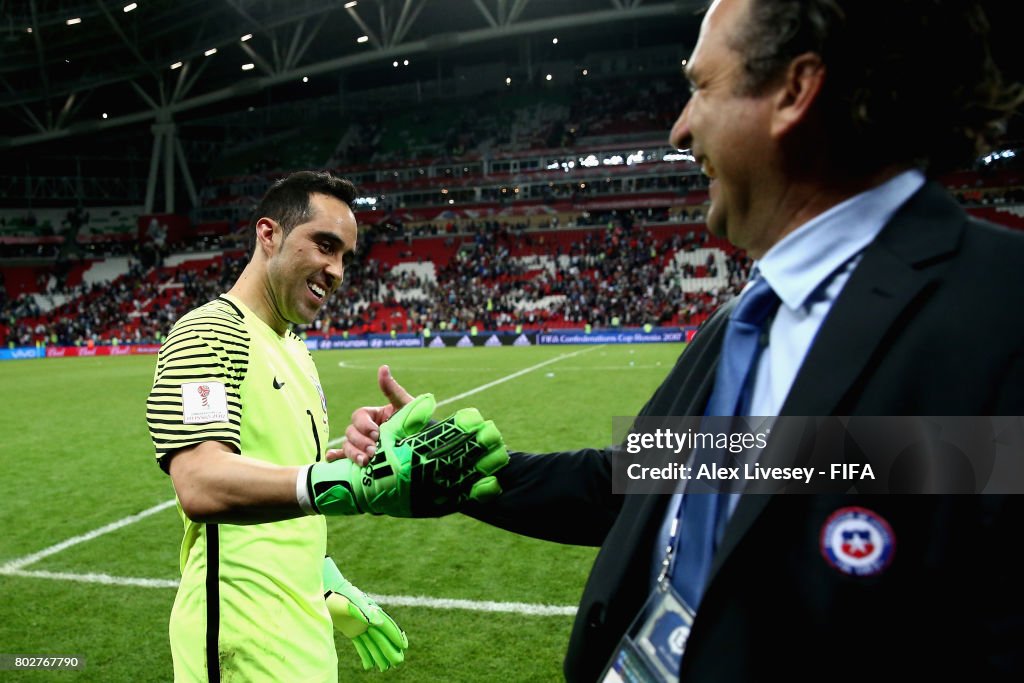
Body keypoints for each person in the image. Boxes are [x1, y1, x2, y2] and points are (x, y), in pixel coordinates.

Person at [338, 1, 1024, 681]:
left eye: (700, 86)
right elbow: (630, 487)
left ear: (795, 91)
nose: (678, 130)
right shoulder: (746, 321)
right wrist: (456, 474)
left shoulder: (999, 313)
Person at [146, 170, 506, 681]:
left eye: (344, 256)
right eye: (324, 245)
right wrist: (348, 486)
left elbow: (294, 489)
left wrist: (326, 575)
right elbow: (201, 482)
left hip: (304, 630)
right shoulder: (208, 333)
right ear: (268, 234)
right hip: (240, 636)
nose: (336, 270)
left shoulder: (297, 351)